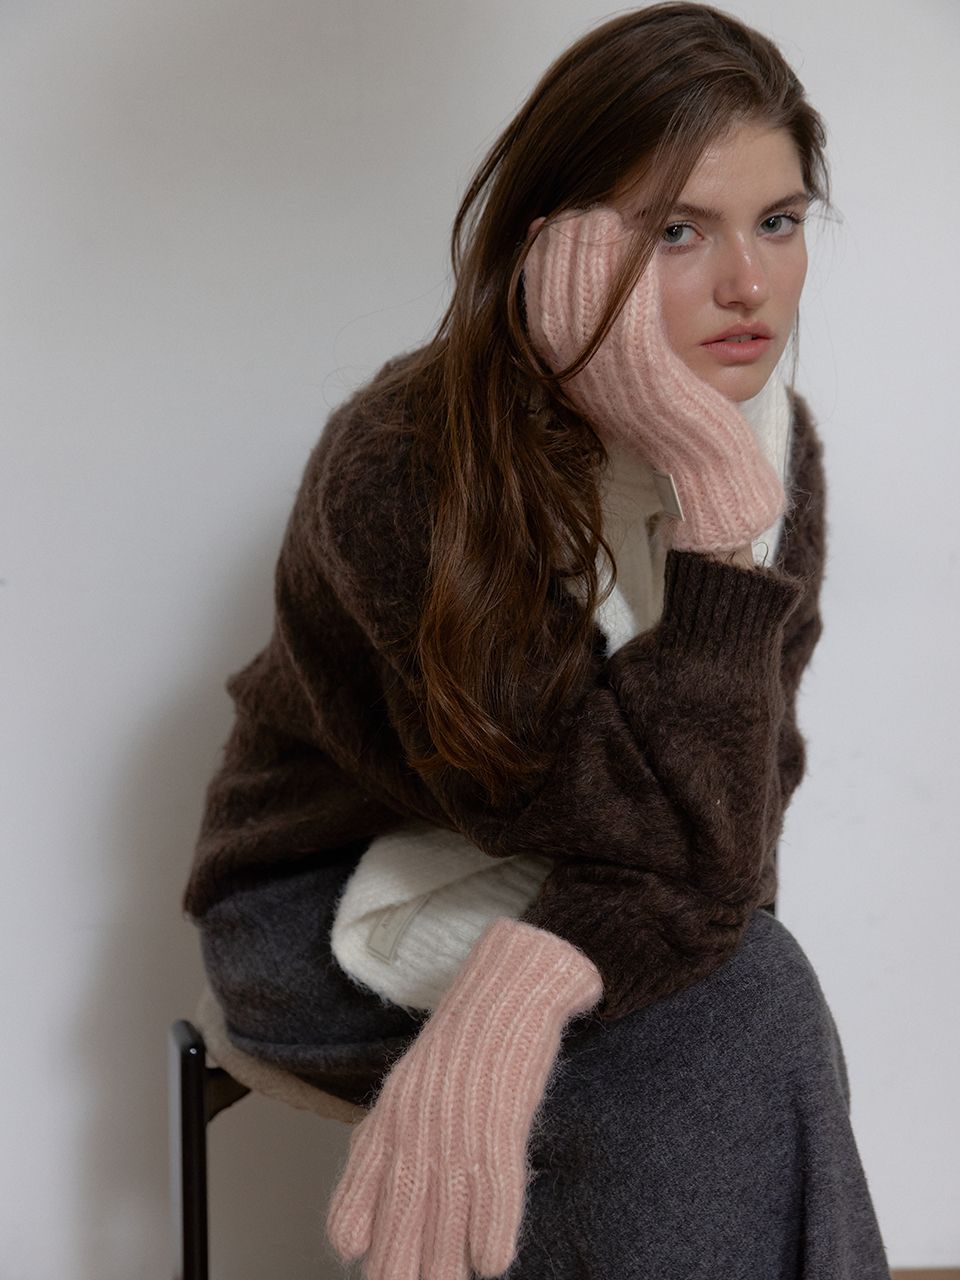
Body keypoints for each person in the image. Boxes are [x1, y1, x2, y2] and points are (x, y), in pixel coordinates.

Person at [180, 3, 893, 1276]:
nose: (749, 284)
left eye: (779, 222)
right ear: (554, 249)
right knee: (739, 1013)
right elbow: (563, 801)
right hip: (327, 902)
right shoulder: (408, 463)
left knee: (738, 1008)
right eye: (678, 230)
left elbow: (730, 837)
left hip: (596, 893)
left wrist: (716, 509)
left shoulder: (764, 454)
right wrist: (712, 516)